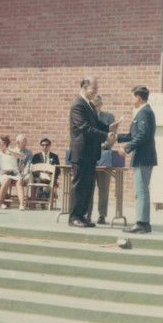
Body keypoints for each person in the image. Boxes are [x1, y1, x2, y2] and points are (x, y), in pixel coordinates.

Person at [68, 78, 118, 228]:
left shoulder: (89, 105)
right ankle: (74, 217)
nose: (96, 91)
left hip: (90, 153)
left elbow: (96, 124)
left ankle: (82, 215)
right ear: (85, 87)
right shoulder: (78, 104)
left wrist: (109, 127)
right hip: (81, 153)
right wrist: (105, 136)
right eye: (94, 89)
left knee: (88, 187)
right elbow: (85, 127)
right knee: (79, 185)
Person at [117, 85, 157, 234]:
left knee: (140, 191)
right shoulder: (143, 112)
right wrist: (116, 137)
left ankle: (142, 223)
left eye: (132, 97)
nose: (131, 100)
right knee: (141, 191)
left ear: (138, 98)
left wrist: (126, 148)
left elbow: (142, 135)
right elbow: (133, 135)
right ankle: (143, 222)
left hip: (143, 158)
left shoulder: (144, 112)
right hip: (142, 157)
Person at [87, 94, 115, 225]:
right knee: (89, 187)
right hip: (90, 156)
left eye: (96, 105)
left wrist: (104, 145)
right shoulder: (86, 117)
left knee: (103, 187)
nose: (94, 108)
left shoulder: (108, 117)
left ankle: (102, 215)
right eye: (92, 105)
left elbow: (112, 136)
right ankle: (87, 214)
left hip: (104, 155)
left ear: (101, 104)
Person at [0, 136, 26, 210]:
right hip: (4, 174)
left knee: (20, 182)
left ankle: (21, 204)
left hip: (14, 173)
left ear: (5, 143)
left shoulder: (13, 151)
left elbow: (23, 157)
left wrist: (9, 150)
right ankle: (0, 203)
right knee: (7, 179)